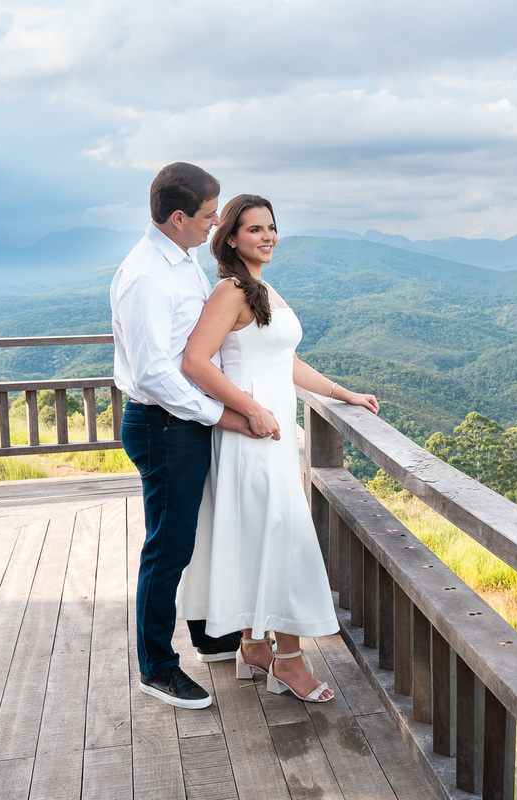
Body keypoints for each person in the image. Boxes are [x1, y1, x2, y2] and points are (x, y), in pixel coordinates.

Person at [179, 194, 378, 703]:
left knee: (263, 537)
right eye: (254, 229)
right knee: (284, 537)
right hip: (251, 436)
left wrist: (343, 393)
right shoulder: (230, 291)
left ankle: (253, 644)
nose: (267, 236)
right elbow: (195, 361)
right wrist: (250, 408)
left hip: (274, 436)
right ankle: (288, 658)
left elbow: (284, 361)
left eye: (270, 227)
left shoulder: (261, 287)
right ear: (230, 238)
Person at [111, 163, 256, 710]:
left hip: (182, 421)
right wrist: (220, 414)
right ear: (178, 217)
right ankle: (157, 667)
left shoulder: (183, 258)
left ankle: (206, 634)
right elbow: (154, 372)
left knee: (192, 535)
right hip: (164, 424)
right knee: (167, 548)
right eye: (207, 215)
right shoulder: (148, 275)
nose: (215, 222)